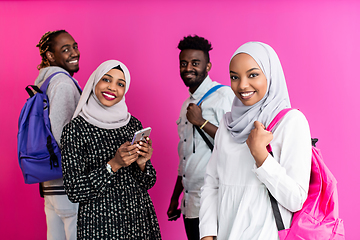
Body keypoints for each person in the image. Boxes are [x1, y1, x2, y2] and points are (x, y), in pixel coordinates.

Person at [199, 42, 313, 240]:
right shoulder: (227, 126)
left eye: (253, 75)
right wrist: (207, 234)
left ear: (270, 74)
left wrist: (261, 155)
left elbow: (295, 199)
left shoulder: (290, 122)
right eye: (235, 77)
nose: (242, 85)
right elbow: (212, 184)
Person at [61, 60, 162, 240]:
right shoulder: (75, 129)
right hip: (100, 225)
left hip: (138, 220)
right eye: (106, 80)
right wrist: (113, 165)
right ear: (95, 81)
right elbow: (74, 190)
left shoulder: (132, 124)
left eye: (120, 84)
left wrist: (142, 163)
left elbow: (148, 182)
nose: (112, 88)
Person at [167, 35, 234, 240]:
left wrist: (201, 122)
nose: (188, 68)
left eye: (195, 63)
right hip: (190, 203)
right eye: (184, 63)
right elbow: (185, 157)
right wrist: (175, 198)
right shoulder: (185, 104)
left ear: (208, 66)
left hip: (214, 202)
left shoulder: (224, 96)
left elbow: (235, 143)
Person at [35, 30, 81, 240]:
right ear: (51, 56)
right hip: (68, 184)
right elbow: (64, 136)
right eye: (65, 49)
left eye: (74, 46)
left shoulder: (44, 82)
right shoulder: (63, 83)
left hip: (50, 182)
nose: (74, 53)